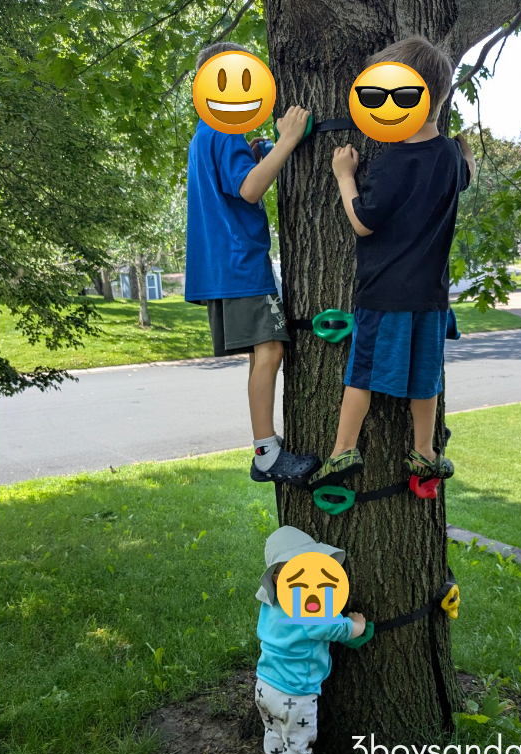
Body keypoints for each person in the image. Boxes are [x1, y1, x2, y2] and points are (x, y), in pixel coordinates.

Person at [308, 36, 476, 489]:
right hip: (432, 298)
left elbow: (363, 221)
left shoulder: (391, 161)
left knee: (361, 373)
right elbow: (466, 172)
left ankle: (343, 451)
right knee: (426, 377)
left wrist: (345, 176)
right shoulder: (448, 156)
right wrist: (466, 151)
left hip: (384, 293)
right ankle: (425, 451)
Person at [185, 42, 319, 486]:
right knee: (272, 349)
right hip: (239, 263)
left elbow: (235, 178)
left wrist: (262, 149)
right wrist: (286, 142)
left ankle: (265, 449)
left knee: (265, 350)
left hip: (224, 265)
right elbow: (248, 189)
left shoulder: (206, 134)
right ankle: (266, 453)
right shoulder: (223, 132)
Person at [255, 527, 365, 754]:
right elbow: (333, 628)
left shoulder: (271, 603)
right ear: (279, 578)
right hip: (295, 693)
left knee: (272, 730)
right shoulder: (308, 608)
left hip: (264, 684)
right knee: (298, 744)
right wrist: (356, 625)